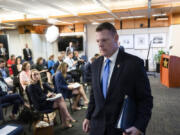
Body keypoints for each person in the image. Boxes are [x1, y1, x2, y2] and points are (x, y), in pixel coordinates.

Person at [82, 22, 153, 135]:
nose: (100, 44)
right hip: (97, 127)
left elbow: (145, 100)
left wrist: (139, 126)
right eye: (98, 41)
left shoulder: (134, 64)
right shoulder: (95, 64)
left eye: (104, 40)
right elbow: (94, 95)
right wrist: (88, 116)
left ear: (116, 38)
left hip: (122, 129)